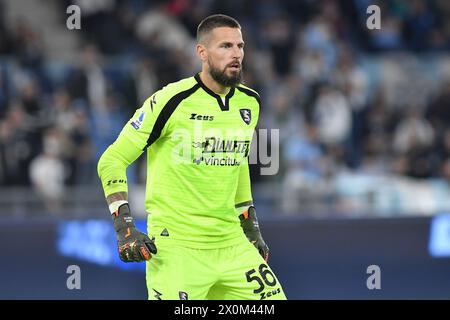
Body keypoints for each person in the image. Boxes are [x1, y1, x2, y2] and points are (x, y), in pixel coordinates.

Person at [97, 14, 286, 300]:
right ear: (202, 52)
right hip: (178, 249)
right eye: (225, 46)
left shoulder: (250, 102)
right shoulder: (171, 100)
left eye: (240, 46)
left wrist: (250, 225)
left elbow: (237, 165)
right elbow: (111, 160)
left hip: (232, 244)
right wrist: (125, 228)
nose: (236, 54)